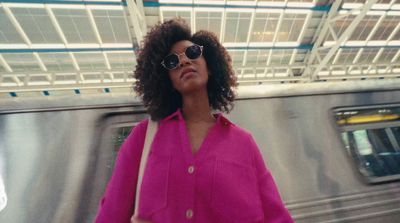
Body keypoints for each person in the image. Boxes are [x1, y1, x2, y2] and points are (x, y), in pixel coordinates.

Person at [95, 18, 294, 223]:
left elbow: (276, 216)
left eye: (192, 53)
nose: (184, 61)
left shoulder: (244, 144)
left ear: (210, 67)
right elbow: (111, 213)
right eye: (173, 62)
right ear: (168, 81)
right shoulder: (143, 138)